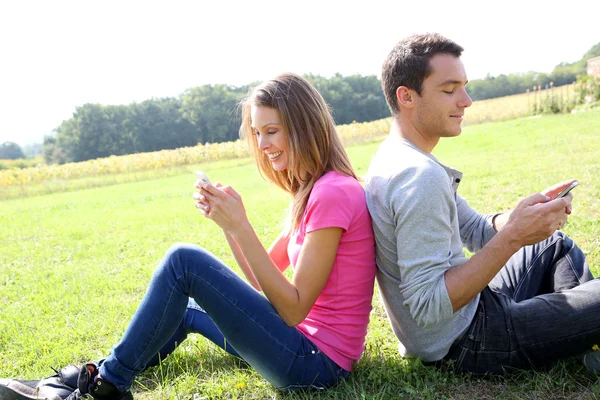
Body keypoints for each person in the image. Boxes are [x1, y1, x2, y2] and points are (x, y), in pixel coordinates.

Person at [0, 72, 377, 400]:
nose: (262, 145)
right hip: (300, 348)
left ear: (304, 125)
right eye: (258, 133)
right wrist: (230, 225)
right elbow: (260, 279)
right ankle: (95, 375)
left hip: (315, 366)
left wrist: (241, 227)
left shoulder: (333, 193)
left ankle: (108, 386)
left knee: (183, 261)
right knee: (187, 307)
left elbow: (293, 309)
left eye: (272, 131)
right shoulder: (313, 190)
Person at [365, 32, 600, 375]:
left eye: (463, 86)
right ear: (407, 96)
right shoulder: (417, 176)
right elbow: (428, 306)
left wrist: (521, 217)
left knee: (553, 245)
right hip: (467, 340)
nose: (466, 100)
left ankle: (587, 344)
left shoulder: (398, 158)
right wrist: (514, 237)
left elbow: (475, 230)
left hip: (469, 314)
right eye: (449, 90)